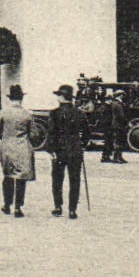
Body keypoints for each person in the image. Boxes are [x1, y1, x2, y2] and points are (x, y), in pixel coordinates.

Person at [0, 85, 37, 216]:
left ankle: (6, 205)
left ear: (10, 98)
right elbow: (34, 134)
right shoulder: (28, 114)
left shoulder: (3, 112)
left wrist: (6, 138)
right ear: (22, 98)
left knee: (8, 176)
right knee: (21, 178)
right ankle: (17, 207)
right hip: (23, 147)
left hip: (7, 147)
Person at [47, 84, 89, 219]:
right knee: (75, 180)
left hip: (59, 151)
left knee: (57, 179)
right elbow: (87, 132)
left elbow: (51, 133)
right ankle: (72, 210)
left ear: (61, 97)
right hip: (75, 150)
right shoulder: (79, 113)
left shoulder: (54, 113)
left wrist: (51, 150)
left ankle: (58, 206)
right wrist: (82, 145)